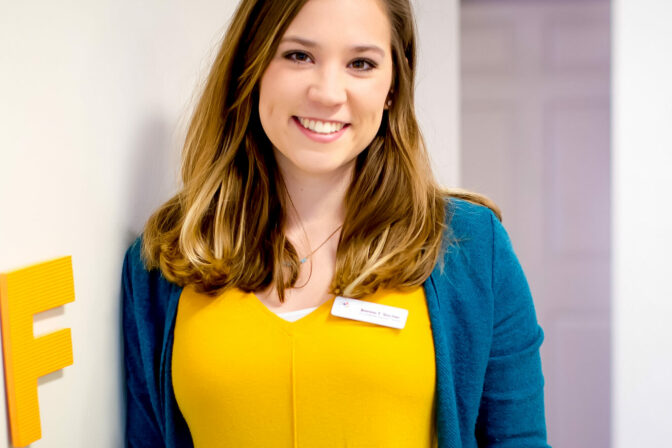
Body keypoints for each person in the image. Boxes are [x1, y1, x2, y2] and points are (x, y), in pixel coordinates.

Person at [122, 0, 550, 446]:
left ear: (392, 87)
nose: (328, 92)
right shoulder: (166, 257)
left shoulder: (472, 248)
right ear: (252, 64)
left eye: (361, 63)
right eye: (298, 55)